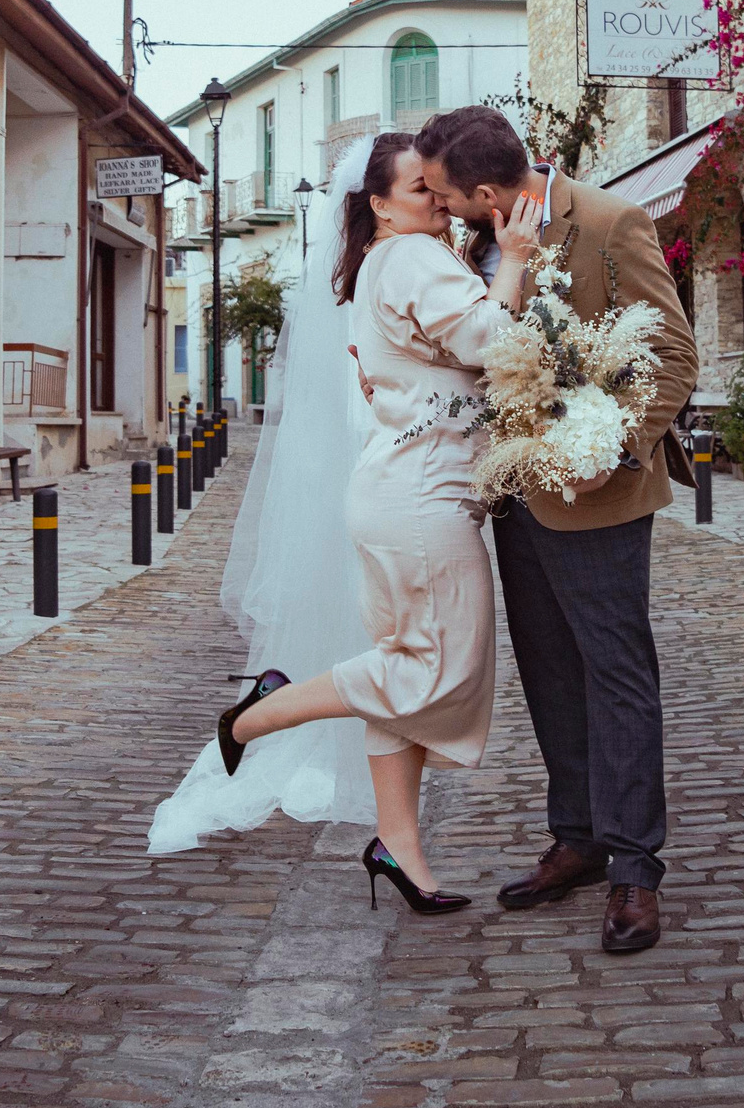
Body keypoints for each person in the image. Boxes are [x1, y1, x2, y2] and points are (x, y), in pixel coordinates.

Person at [153, 130, 543, 913]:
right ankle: (258, 714)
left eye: (437, 185)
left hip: (397, 493)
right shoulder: (414, 258)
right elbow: (491, 342)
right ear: (379, 205)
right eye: (418, 188)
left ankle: (398, 848)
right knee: (433, 670)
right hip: (423, 499)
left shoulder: (382, 265)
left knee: (404, 662)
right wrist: (522, 259)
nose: (436, 197)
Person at [413, 104, 699, 954]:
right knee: (548, 670)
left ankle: (636, 870)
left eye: (442, 192)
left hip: (597, 493)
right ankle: (577, 834)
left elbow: (675, 354)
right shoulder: (475, 247)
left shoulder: (612, 222)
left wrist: (606, 448)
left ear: (490, 188)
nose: (437, 204)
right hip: (518, 500)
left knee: (616, 674)